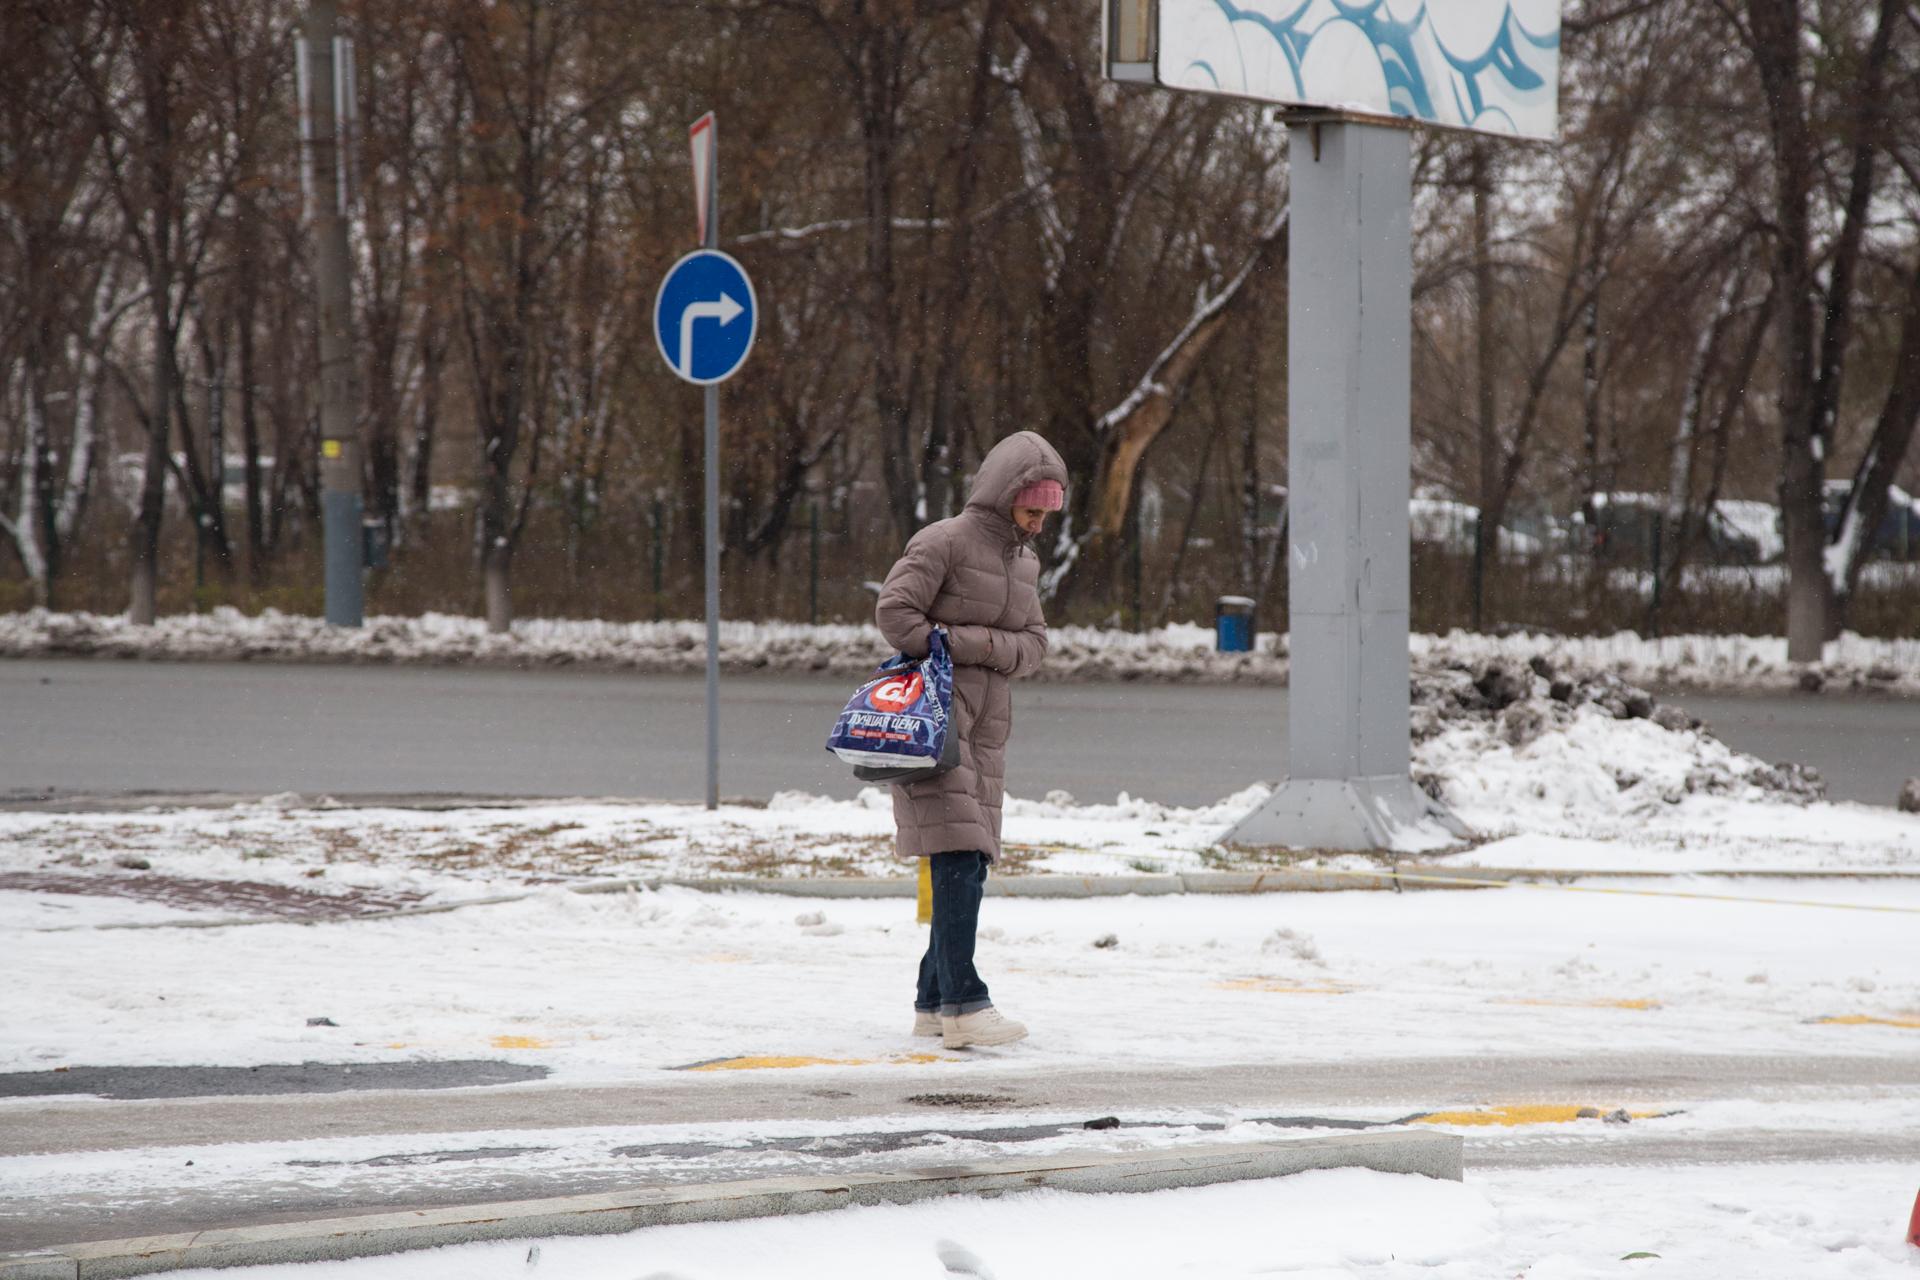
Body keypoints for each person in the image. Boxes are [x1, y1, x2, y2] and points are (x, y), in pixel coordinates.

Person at [875, 430, 1068, 1050]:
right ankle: (965, 1001)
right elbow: (895, 613)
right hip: (935, 716)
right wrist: (960, 647)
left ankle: (933, 1002)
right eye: (1030, 509)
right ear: (1003, 494)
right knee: (958, 854)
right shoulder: (943, 542)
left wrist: (975, 645)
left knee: (968, 855)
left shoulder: (1024, 562)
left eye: (1046, 514)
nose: (1037, 525)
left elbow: (1034, 646)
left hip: (987, 731)